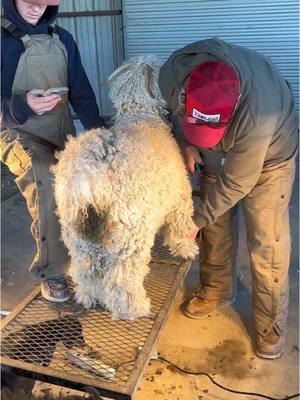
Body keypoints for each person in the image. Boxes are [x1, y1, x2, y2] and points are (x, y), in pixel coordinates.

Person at [158, 37, 298, 359]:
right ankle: (217, 290)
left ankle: (270, 325)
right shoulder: (173, 73)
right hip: (213, 151)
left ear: (233, 110)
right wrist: (188, 142)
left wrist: (195, 220)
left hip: (269, 158)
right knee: (214, 222)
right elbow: (172, 112)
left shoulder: (258, 115)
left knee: (267, 240)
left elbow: (238, 182)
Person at [1, 0, 106, 303]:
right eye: (30, 3)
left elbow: (82, 92)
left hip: (60, 131)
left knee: (88, 183)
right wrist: (22, 105)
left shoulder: (63, 39)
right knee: (46, 179)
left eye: (44, 4)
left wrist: (99, 137)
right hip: (14, 132)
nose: (37, 10)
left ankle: (88, 258)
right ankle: (53, 272)